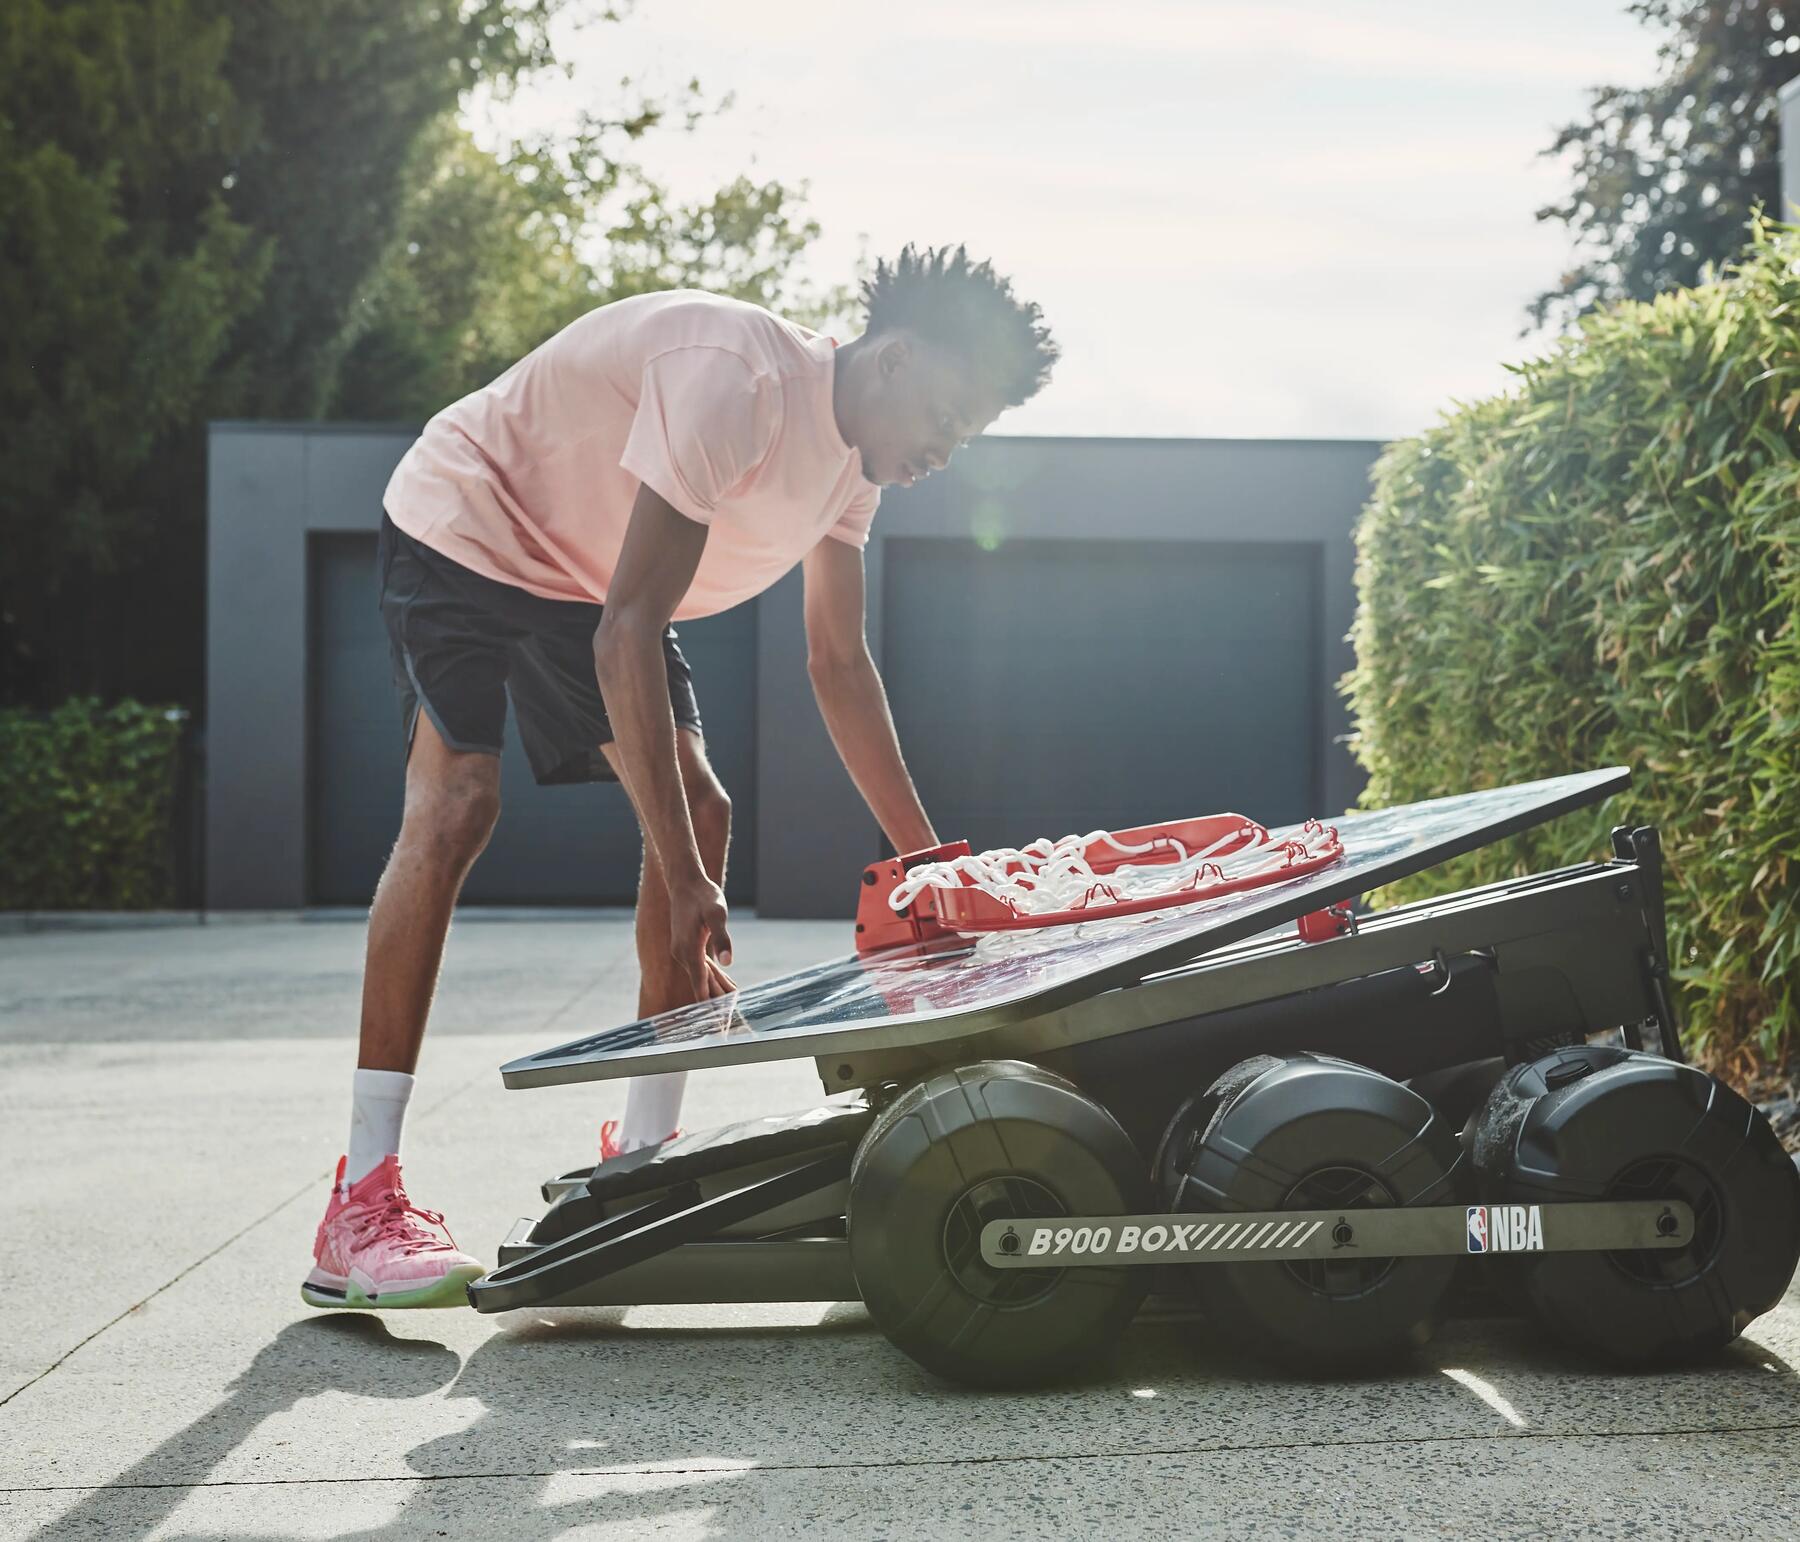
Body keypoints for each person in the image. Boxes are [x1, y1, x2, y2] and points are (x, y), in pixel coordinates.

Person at [303, 245, 1059, 1309]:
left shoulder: (855, 467)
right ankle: (361, 1199)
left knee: (703, 810)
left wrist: (926, 867)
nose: (943, 450)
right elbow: (629, 631)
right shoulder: (737, 377)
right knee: (460, 805)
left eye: (965, 435)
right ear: (890, 359)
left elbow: (838, 664)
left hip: (581, 578)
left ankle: (640, 1167)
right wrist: (681, 868)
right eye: (944, 414)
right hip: (466, 524)